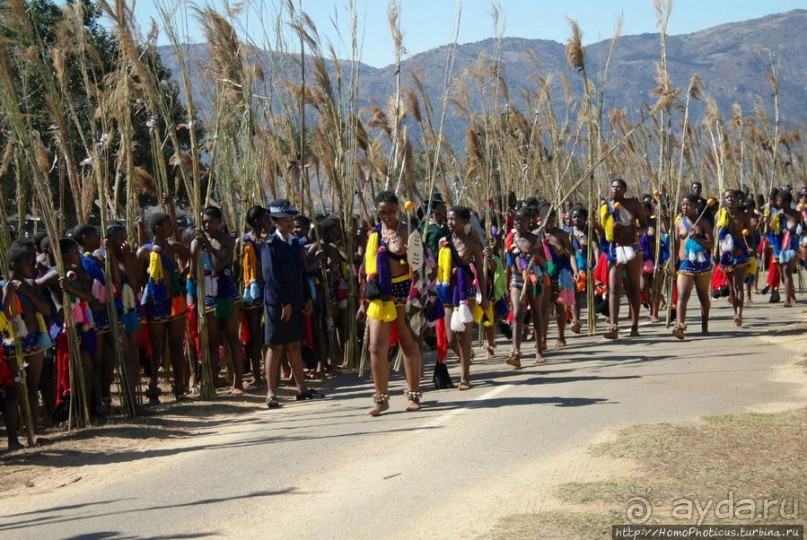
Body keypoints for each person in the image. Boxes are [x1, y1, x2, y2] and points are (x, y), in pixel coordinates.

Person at [357, 191, 423, 415]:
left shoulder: (407, 231)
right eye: (383, 213)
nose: (387, 216)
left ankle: (413, 394)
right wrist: (363, 301)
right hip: (380, 294)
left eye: (391, 212)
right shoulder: (374, 234)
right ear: (377, 211)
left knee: (408, 344)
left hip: (404, 291)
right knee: (376, 347)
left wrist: (412, 257)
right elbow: (367, 269)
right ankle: (381, 399)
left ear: (398, 209)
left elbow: (423, 264)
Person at [262, 199, 324, 409]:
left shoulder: (295, 243)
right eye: (284, 219)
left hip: (297, 300)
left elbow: (301, 272)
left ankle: (302, 388)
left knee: (295, 344)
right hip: (276, 304)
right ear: (275, 222)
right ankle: (271, 393)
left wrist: (307, 298)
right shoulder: (270, 245)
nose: (289, 222)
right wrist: (284, 303)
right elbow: (272, 277)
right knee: (276, 346)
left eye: (291, 218)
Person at [137, 205, 190, 405]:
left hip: (175, 301)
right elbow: (137, 275)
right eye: (168, 224)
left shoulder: (174, 247)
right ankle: (153, 390)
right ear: (158, 228)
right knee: (156, 349)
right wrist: (148, 284)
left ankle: (179, 389)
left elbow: (191, 255)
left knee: (177, 346)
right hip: (155, 303)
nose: (171, 228)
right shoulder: (145, 251)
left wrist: (183, 275)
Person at [190, 206, 244, 394]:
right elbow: (192, 273)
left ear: (219, 221)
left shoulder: (229, 241)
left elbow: (219, 264)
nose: (207, 225)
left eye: (210, 221)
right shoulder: (199, 242)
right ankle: (210, 383)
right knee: (212, 341)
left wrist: (207, 243)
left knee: (231, 338)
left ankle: (238, 383)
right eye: (204, 222)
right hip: (208, 295)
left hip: (227, 293)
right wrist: (195, 251)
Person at [437, 206, 489, 390]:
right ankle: (465, 358)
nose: (450, 222)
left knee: (465, 335)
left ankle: (464, 377)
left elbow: (481, 274)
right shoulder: (443, 243)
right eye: (448, 219)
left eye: (454, 219)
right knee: (451, 338)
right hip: (448, 294)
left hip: (466, 294)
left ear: (465, 222)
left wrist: (484, 296)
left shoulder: (472, 245)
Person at [3, 245, 52, 435]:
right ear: (14, 265)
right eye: (28, 263)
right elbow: (3, 316)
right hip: (13, 343)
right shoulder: (3, 286)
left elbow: (46, 310)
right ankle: (13, 437)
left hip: (34, 342)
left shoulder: (31, 285)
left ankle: (32, 431)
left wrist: (26, 291)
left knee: (32, 388)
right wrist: (8, 294)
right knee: (15, 391)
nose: (32, 266)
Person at [599, 178, 648, 339]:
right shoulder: (605, 206)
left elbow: (645, 226)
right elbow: (602, 229)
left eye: (619, 187)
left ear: (625, 189)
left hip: (633, 247)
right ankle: (614, 326)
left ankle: (634, 326)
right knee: (613, 287)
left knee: (633, 287)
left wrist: (633, 231)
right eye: (613, 186)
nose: (615, 189)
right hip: (614, 249)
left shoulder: (633, 204)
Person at [505, 208, 547, 367]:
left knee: (536, 313)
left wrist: (536, 256)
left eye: (522, 220)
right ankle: (515, 352)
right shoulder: (509, 239)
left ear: (529, 222)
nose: (518, 223)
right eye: (516, 220)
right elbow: (509, 264)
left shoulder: (535, 240)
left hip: (535, 277)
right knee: (517, 313)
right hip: (517, 278)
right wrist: (506, 285)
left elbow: (545, 264)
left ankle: (539, 351)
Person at [672, 194, 714, 339]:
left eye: (688, 205)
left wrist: (697, 238)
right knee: (682, 295)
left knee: (703, 295)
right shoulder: (678, 223)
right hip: (685, 264)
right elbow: (676, 246)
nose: (685, 207)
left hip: (702, 263)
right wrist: (671, 261)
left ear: (696, 207)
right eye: (683, 205)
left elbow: (712, 244)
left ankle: (704, 325)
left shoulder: (703, 222)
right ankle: (680, 325)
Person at [236, 206, 270, 386]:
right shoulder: (242, 242)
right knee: (256, 336)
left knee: (269, 335)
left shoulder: (269, 240)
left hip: (269, 291)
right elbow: (236, 268)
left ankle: (271, 372)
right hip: (251, 294)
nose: (269, 221)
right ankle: (257, 375)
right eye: (266, 218)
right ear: (257, 221)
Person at [716, 189, 754, 326]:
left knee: (739, 285)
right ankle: (735, 312)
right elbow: (717, 238)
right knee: (731, 287)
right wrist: (717, 254)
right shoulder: (720, 215)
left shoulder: (744, 216)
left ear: (737, 200)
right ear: (724, 200)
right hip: (726, 254)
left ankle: (739, 314)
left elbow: (750, 235)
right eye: (727, 197)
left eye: (732, 196)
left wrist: (750, 248)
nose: (730, 199)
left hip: (740, 253)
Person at [769, 190, 805, 307]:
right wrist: (767, 222)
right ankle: (792, 294)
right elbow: (771, 230)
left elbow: (805, 229)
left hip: (793, 247)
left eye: (779, 201)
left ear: (785, 202)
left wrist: (797, 234)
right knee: (783, 273)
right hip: (779, 248)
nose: (777, 203)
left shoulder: (797, 214)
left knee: (787, 271)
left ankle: (787, 300)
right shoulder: (777, 216)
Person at [569, 205, 599, 332]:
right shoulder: (568, 232)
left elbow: (596, 248)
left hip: (589, 265)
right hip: (574, 266)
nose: (576, 219)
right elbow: (569, 252)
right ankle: (575, 320)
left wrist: (597, 263)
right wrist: (575, 270)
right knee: (575, 295)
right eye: (574, 217)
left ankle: (592, 316)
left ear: (585, 218)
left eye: (579, 217)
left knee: (590, 293)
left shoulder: (590, 231)